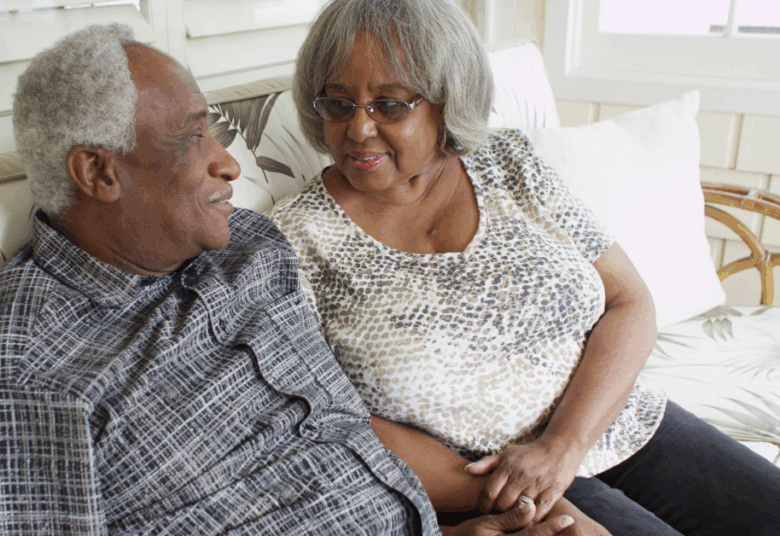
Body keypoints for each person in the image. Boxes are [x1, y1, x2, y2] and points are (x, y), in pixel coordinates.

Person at [0, 24, 580, 536]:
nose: (228, 164)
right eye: (194, 138)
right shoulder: (15, 374)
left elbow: (343, 441)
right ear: (98, 174)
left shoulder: (248, 248)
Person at [269, 1, 780, 535]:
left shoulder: (510, 163)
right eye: (337, 103)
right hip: (479, 482)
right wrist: (525, 499)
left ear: (448, 100)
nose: (358, 129)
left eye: (390, 106)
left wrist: (562, 446)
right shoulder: (292, 240)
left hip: (616, 422)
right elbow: (328, 416)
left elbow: (629, 301)